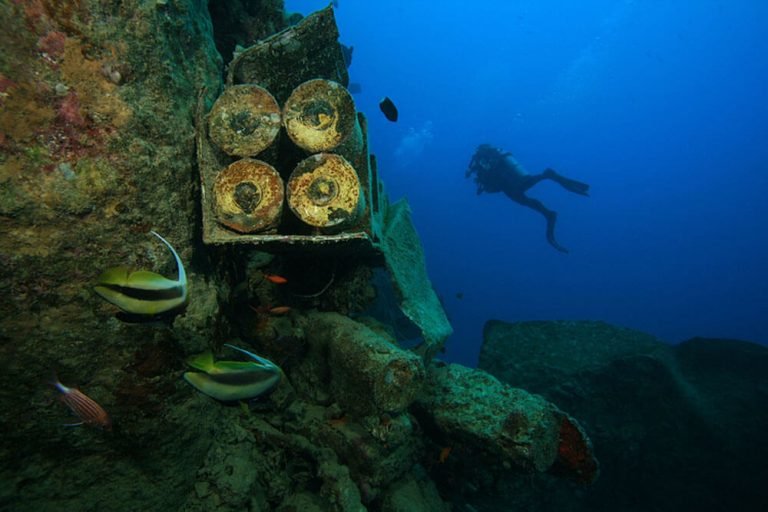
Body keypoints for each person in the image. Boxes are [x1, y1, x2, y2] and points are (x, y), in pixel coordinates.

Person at [466, 144, 590, 253]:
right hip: (513, 183)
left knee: (525, 199)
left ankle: (548, 189)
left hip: (510, 186)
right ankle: (548, 210)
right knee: (527, 196)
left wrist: (480, 182)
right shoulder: (490, 160)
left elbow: (492, 186)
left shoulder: (482, 164)